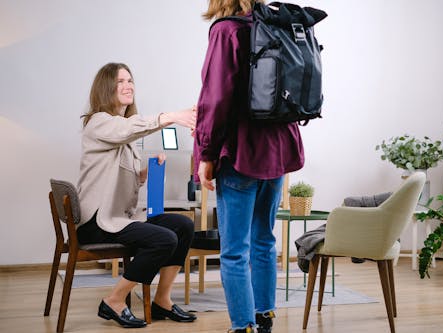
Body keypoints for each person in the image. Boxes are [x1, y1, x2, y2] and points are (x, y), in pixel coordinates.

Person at [193, 1, 305, 332]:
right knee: (264, 241)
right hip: (278, 152)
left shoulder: (227, 31)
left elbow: (215, 100)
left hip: (241, 153)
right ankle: (264, 317)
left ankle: (242, 327)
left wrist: (206, 153)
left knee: (233, 251)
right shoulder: (277, 25)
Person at [76, 62, 197, 329]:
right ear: (106, 88)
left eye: (130, 80)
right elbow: (127, 129)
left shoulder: (123, 129)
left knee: (183, 225)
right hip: (96, 223)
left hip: (117, 218)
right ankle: (114, 300)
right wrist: (172, 116)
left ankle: (162, 300)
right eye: (120, 81)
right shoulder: (99, 122)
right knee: (164, 239)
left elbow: (118, 176)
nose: (128, 85)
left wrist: (143, 174)